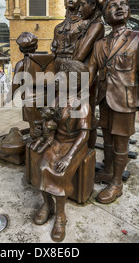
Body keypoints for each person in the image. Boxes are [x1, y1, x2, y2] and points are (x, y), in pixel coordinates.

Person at [88, 0, 139, 204]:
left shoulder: (138, 37)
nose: (119, 8)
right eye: (112, 6)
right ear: (105, 14)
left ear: (129, 10)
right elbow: (90, 73)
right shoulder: (100, 44)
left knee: (120, 143)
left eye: (123, 4)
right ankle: (107, 171)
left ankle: (117, 183)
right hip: (104, 98)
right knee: (106, 138)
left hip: (125, 99)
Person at [31, 60, 91, 242]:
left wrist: (68, 157)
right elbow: (53, 120)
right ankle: (47, 204)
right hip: (57, 140)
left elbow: (84, 134)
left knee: (58, 172)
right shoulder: (59, 98)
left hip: (74, 145)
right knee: (41, 166)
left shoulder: (82, 103)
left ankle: (61, 215)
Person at [74, 0, 107, 149]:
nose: (79, 8)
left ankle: (88, 151)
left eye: (82, 4)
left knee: (87, 115)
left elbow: (80, 55)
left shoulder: (97, 26)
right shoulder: (89, 25)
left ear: (93, 5)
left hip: (86, 77)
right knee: (81, 114)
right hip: (80, 75)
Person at [51, 0, 84, 71]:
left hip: (75, 65)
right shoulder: (58, 27)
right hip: (57, 64)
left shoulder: (84, 24)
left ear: (81, 1)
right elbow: (53, 51)